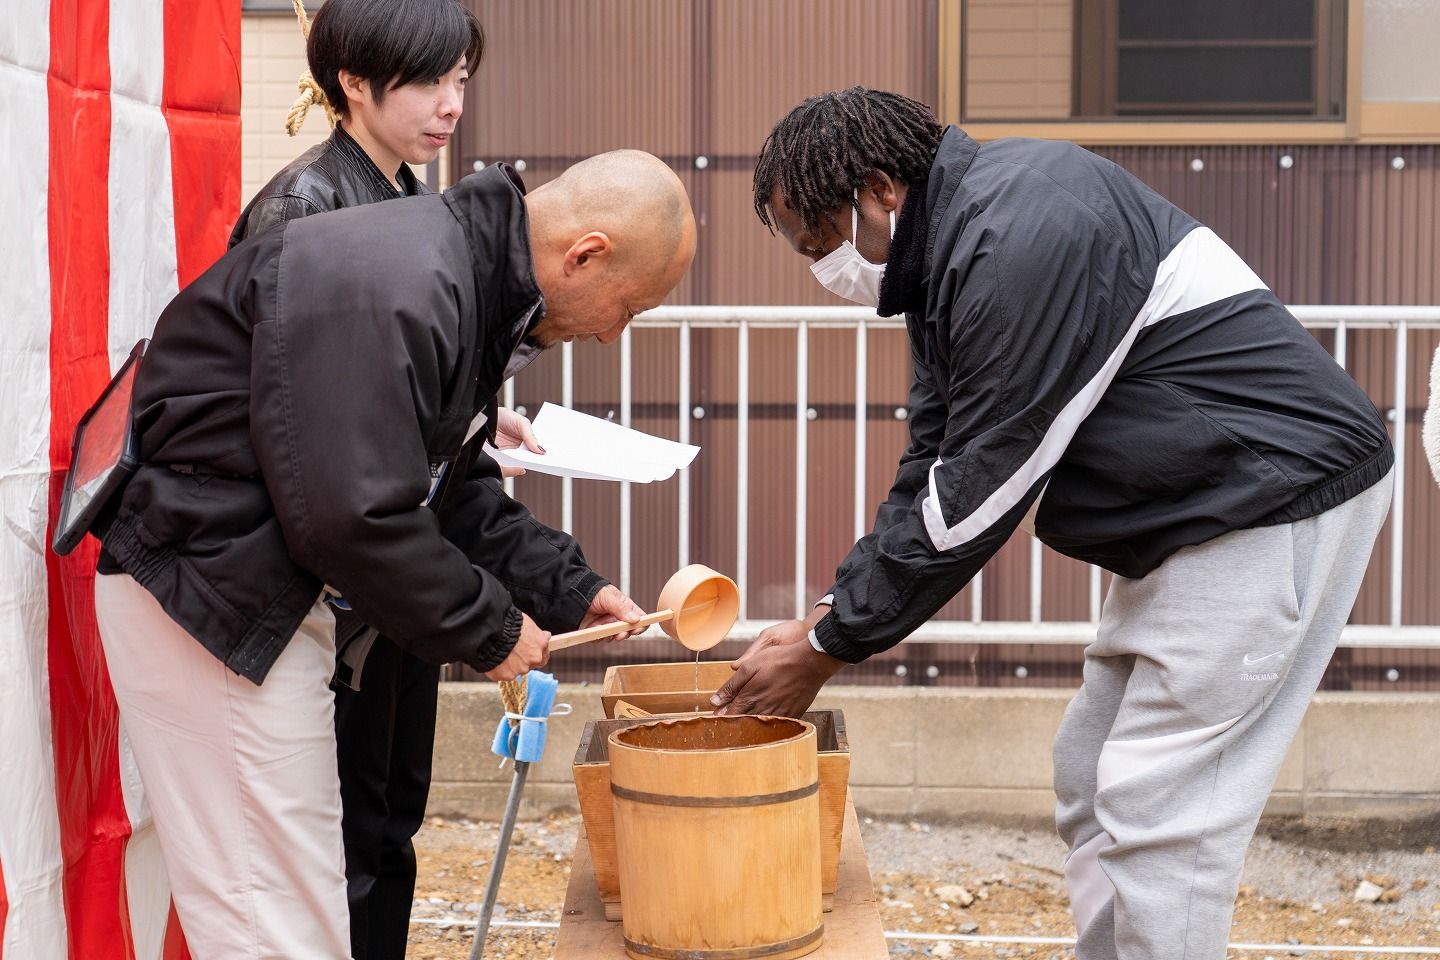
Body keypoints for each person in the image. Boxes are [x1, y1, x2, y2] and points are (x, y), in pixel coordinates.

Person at [717, 87, 1393, 960]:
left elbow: (983, 485)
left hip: (1270, 494)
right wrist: (826, 616)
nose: (823, 265)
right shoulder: (951, 255)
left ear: (879, 190)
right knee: (1092, 771)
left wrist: (831, 644)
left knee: (1164, 808)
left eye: (819, 241)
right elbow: (934, 462)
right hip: (1199, 507)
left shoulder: (1017, 236)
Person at [93, 149, 696, 959]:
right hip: (210, 591)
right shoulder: (410, 284)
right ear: (584, 254)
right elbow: (353, 513)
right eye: (628, 308)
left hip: (253, 583)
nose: (612, 334)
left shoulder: (458, 280)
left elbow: (450, 488)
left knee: (299, 894)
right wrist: (489, 628)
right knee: (271, 916)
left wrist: (569, 586)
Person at [226, 2, 525, 953]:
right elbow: (298, 422)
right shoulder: (303, 207)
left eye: (461, 82)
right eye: (430, 82)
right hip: (331, 576)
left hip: (394, 561)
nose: (451, 105)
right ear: (353, 83)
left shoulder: (404, 196)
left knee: (392, 815)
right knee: (346, 833)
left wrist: (473, 416)